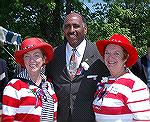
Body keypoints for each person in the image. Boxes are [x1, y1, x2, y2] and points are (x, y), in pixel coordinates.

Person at [46, 12, 109, 122]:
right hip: (61, 118)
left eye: (76, 26)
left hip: (89, 118)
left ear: (85, 29)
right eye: (67, 26)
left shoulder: (100, 54)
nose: (71, 30)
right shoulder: (54, 54)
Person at [93, 33, 150, 122]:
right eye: (107, 53)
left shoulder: (135, 85)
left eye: (116, 53)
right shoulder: (105, 82)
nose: (110, 57)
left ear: (125, 57)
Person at [2, 37, 58, 122]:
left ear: (43, 59)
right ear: (23, 61)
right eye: (27, 56)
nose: (32, 60)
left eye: (36, 55)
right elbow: (7, 120)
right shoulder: (14, 86)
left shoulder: (49, 86)